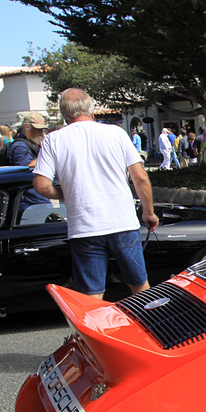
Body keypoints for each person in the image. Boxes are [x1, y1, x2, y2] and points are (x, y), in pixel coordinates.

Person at [31, 88, 158, 299]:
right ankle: (150, 327)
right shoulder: (116, 133)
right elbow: (140, 177)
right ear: (93, 110)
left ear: (65, 114)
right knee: (139, 286)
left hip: (84, 227)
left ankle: (94, 332)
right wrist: (149, 212)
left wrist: (67, 193)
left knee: (92, 295)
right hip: (122, 222)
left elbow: (42, 186)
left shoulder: (54, 140)